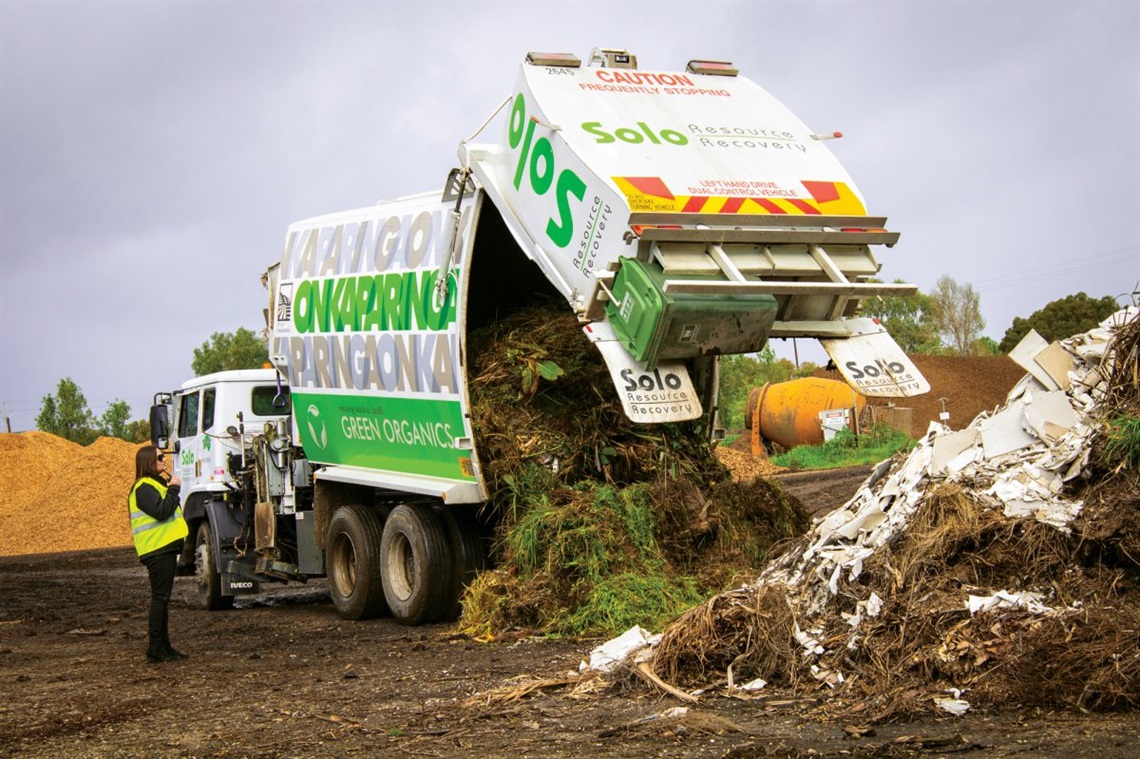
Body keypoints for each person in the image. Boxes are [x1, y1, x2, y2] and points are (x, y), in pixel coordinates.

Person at [127, 446, 190, 663]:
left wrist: (170, 489)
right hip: (156, 549)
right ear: (149, 462)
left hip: (164, 548)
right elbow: (161, 511)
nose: (165, 460)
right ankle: (156, 648)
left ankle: (164, 646)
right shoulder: (143, 487)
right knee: (160, 598)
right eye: (160, 457)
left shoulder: (155, 484)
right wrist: (173, 490)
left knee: (163, 598)